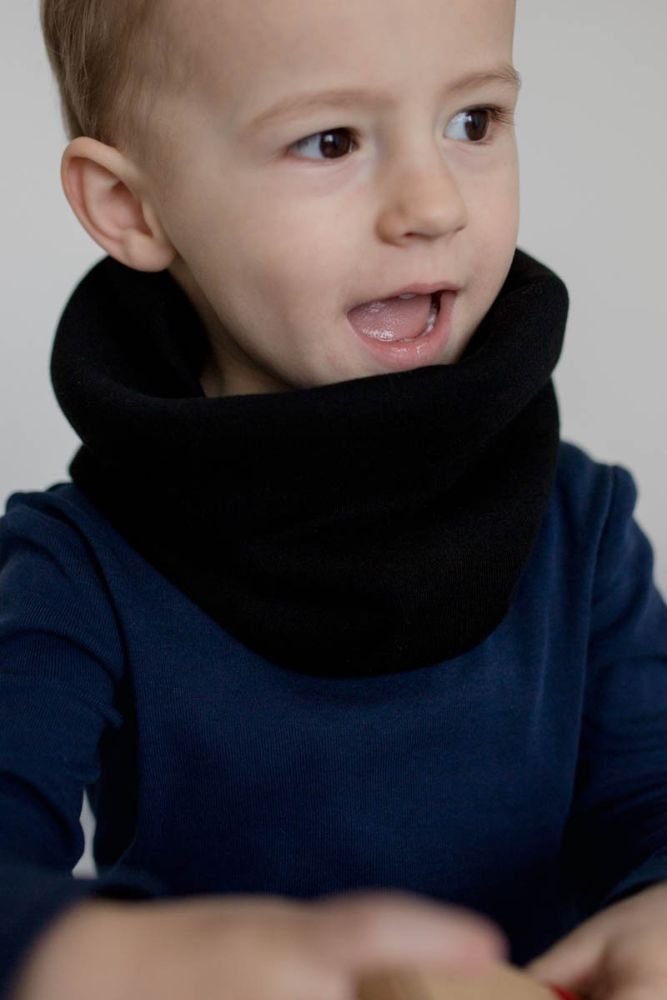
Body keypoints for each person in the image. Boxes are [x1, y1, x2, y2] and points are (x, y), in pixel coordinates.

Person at [2, 0, 666, 997]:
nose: (432, 205)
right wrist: (121, 958)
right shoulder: (75, 566)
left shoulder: (582, 523)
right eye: (329, 140)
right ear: (132, 207)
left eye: (472, 121)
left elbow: (650, 797)